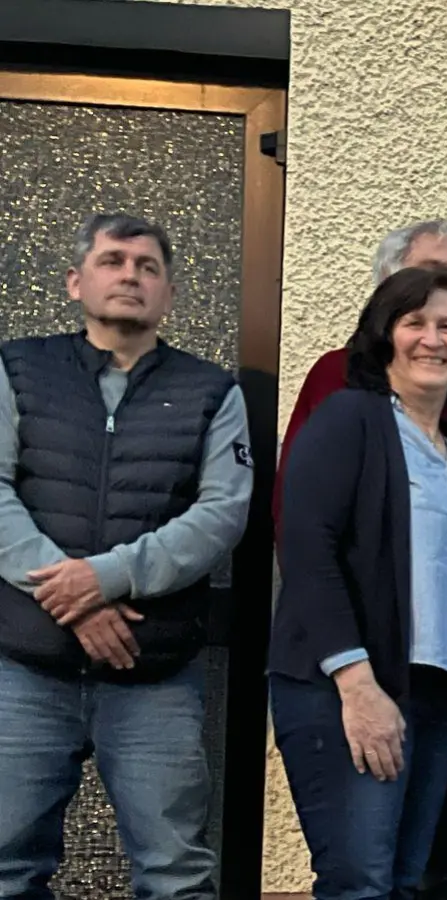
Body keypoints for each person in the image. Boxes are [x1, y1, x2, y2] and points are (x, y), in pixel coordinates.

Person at [0, 213, 251, 899]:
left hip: (155, 677)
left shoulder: (212, 392)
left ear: (169, 294)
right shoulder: (16, 368)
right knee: (6, 870)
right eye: (113, 261)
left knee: (176, 876)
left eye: (148, 267)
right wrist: (72, 600)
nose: (131, 276)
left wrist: (106, 577)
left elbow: (220, 515)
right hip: (26, 671)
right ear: (76, 282)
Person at [268, 267, 447, 900]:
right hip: (344, 688)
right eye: (414, 322)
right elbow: (307, 548)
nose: (433, 339)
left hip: (429, 697)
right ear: (384, 337)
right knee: (359, 884)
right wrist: (357, 684)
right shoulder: (352, 418)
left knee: (401, 882)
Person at [275, 219, 447, 516]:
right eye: (430, 271)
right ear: (387, 283)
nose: (445, 287)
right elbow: (296, 503)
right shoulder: (338, 374)